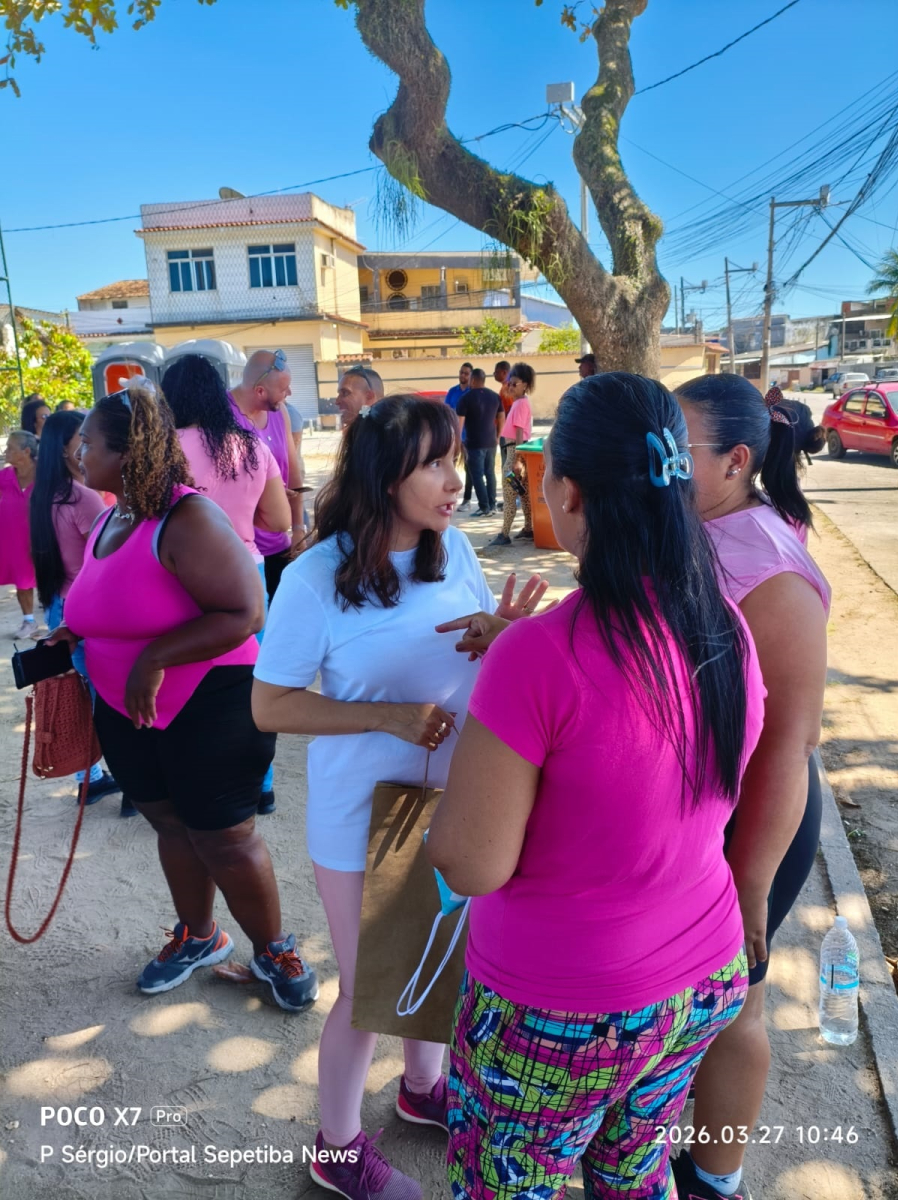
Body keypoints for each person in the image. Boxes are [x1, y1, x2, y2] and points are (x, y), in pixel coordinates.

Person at [427, 372, 766, 1200]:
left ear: (569, 492)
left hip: (561, 1013)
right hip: (700, 979)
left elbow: (470, 864)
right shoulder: (723, 622)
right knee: (633, 1171)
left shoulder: (537, 657)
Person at [252, 396, 547, 1200]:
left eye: (457, 459)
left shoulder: (449, 551)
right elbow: (269, 705)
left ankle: (422, 1092)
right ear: (386, 476)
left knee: (442, 957)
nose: (456, 481)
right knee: (367, 987)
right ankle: (336, 1145)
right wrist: (383, 716)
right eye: (435, 464)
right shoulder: (314, 578)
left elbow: (459, 650)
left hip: (454, 797)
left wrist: (497, 633)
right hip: (360, 816)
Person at [52, 379, 318, 1011]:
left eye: (87, 442)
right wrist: (75, 630)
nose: (77, 454)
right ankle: (199, 935)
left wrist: (155, 658)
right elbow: (119, 599)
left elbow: (246, 611)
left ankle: (273, 948)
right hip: (127, 708)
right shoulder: (111, 515)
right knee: (170, 823)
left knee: (226, 835)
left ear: (126, 450)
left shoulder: (188, 515)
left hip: (210, 700)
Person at [671, 376, 829, 1200]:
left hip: (752, 826)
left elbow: (787, 746)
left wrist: (752, 885)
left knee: (735, 1008)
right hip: (693, 812)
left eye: (677, 450)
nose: (657, 464)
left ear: (736, 462)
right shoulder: (694, 529)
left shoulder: (767, 568)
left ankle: (714, 1178)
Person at [164, 354, 292, 817]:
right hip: (247, 574)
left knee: (185, 676)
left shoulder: (165, 449)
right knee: (249, 682)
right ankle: (261, 787)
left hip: (179, 578)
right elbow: (279, 520)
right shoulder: (252, 446)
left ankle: (189, 781)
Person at [30, 410, 123, 808]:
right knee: (109, 698)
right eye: (82, 438)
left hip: (59, 606)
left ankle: (90, 776)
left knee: (78, 695)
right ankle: (126, 780)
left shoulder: (43, 494)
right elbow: (104, 562)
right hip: (87, 611)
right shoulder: (82, 498)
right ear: (68, 447)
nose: (88, 443)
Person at [228, 349, 306, 604]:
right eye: (284, 389)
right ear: (260, 391)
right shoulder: (223, 416)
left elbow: (293, 470)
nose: (289, 394)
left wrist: (298, 528)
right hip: (239, 548)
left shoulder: (279, 411)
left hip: (278, 543)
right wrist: (264, 490)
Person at [487, 362, 535, 547]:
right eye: (510, 383)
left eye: (514, 383)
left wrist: (516, 460)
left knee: (509, 493)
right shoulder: (519, 403)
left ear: (525, 385)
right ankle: (528, 528)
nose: (510, 387)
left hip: (515, 449)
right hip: (515, 449)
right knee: (522, 493)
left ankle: (504, 534)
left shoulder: (521, 404)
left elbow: (520, 431)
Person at [1, 430, 39, 639]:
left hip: (41, 536)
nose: (6, 451)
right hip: (13, 538)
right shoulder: (5, 476)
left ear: (25, 451)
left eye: (10, 448)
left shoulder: (43, 475)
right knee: (21, 580)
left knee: (51, 579)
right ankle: (29, 621)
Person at [457, 368, 502, 517]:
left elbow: (460, 423)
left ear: (474, 380)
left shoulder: (466, 398)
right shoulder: (495, 397)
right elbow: (502, 417)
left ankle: (484, 508)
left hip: (474, 443)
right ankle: (492, 504)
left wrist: (458, 441)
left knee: (477, 475)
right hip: (491, 442)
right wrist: (498, 436)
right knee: (490, 473)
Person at [445, 363, 473, 509]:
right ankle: (449, 497)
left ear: (471, 376)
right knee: (450, 466)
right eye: (461, 372)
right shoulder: (452, 392)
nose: (463, 375)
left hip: (469, 437)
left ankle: (467, 499)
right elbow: (447, 411)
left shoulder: (472, 393)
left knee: (469, 469)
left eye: (466, 373)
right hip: (454, 436)